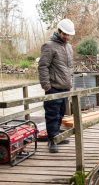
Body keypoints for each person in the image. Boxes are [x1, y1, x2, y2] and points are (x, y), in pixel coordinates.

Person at [38, 18, 75, 153]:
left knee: (60, 114)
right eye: (64, 34)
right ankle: (51, 140)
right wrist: (47, 86)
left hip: (65, 88)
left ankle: (57, 137)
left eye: (68, 35)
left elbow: (70, 68)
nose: (66, 37)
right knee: (52, 115)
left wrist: (70, 84)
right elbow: (43, 67)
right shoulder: (49, 46)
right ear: (59, 31)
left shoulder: (69, 47)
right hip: (53, 87)